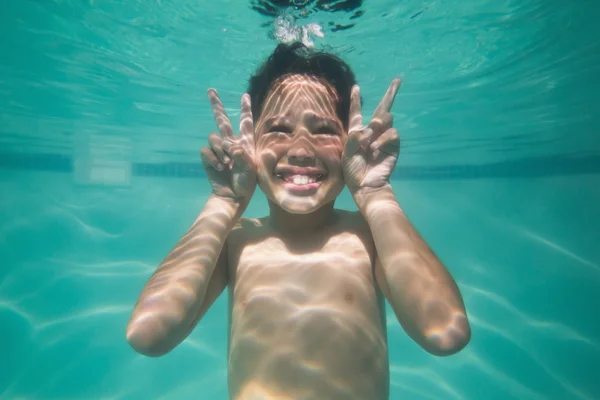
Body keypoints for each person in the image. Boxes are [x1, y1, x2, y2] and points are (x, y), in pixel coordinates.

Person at [126, 42, 471, 400]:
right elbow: (148, 334)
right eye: (278, 128)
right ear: (251, 142)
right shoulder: (236, 242)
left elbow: (444, 332)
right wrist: (223, 203)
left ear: (350, 140)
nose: (301, 150)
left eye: (323, 129)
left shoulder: (370, 239)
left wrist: (375, 195)